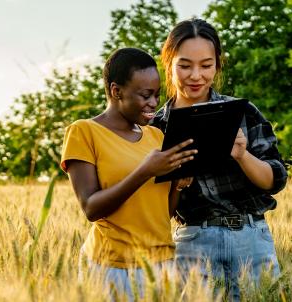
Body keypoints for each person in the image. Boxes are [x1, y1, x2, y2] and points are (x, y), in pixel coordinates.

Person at [151, 18, 288, 301]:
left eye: (206, 65)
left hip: (252, 239)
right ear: (168, 63)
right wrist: (177, 183)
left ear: (217, 65)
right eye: (185, 65)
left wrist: (242, 155)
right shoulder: (155, 128)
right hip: (194, 243)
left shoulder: (242, 112)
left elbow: (275, 179)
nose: (196, 75)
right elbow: (155, 213)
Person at [60, 47, 197, 301]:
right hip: (112, 268)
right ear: (116, 91)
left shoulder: (156, 136)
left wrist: (178, 186)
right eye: (145, 95)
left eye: (157, 95)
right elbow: (91, 208)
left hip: (162, 265)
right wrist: (145, 171)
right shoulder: (84, 132)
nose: (154, 104)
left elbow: (159, 214)